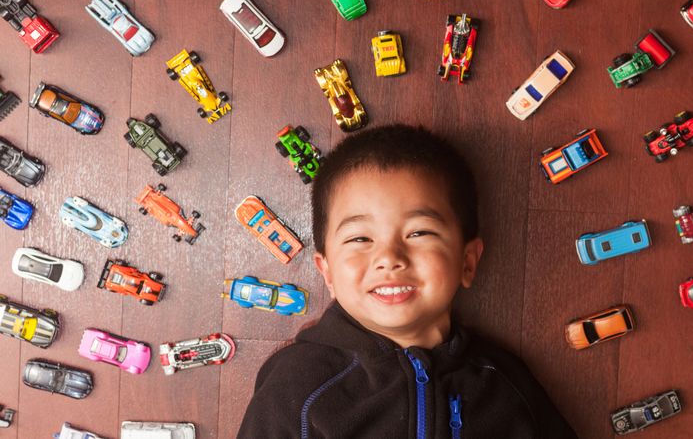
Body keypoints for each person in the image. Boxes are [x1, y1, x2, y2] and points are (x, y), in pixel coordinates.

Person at [237, 125, 576, 439]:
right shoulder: (297, 384)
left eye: (419, 232)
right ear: (327, 273)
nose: (389, 257)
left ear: (468, 262)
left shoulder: (504, 381)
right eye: (359, 239)